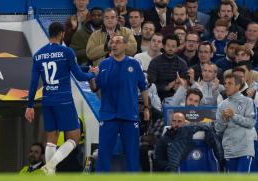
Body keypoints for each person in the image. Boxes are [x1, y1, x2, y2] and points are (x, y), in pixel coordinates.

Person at [25, 22, 95, 175]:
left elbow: (33, 83)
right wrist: (92, 73)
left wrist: (29, 106)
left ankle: (51, 175)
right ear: (62, 33)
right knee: (74, 138)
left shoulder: (38, 55)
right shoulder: (67, 52)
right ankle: (51, 165)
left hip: (47, 99)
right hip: (63, 99)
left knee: (52, 137)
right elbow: (79, 75)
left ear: (50, 34)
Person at [89, 35, 150, 172]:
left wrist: (146, 108)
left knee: (132, 154)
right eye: (112, 42)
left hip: (129, 116)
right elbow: (94, 88)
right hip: (108, 116)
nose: (114, 45)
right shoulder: (104, 64)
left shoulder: (134, 64)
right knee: (104, 153)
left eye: (118, 42)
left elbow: (143, 87)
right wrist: (91, 77)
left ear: (125, 45)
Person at [215, 73, 257, 173]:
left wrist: (234, 116)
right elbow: (218, 129)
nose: (226, 86)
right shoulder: (222, 105)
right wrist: (224, 120)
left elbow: (251, 123)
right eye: (225, 83)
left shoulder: (248, 102)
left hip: (245, 149)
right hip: (229, 150)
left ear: (238, 86)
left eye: (230, 83)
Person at [148, 34, 188, 101]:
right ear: (163, 46)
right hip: (157, 97)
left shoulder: (182, 63)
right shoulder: (154, 62)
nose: (170, 48)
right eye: (168, 45)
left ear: (177, 48)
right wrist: (165, 88)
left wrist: (179, 84)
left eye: (173, 46)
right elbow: (151, 85)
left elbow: (186, 82)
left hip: (177, 97)